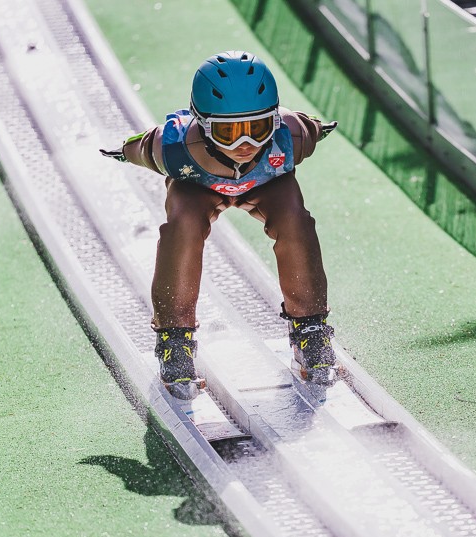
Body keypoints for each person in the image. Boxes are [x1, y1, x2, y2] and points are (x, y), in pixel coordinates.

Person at [100, 51, 338, 399]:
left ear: (274, 121)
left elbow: (311, 125)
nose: (245, 145)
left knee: (296, 221)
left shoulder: (293, 136)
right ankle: (174, 338)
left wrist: (319, 126)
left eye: (258, 129)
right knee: (182, 226)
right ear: (202, 125)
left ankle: (310, 327)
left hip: (268, 183)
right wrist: (124, 150)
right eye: (229, 133)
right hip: (197, 186)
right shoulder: (174, 148)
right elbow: (142, 147)